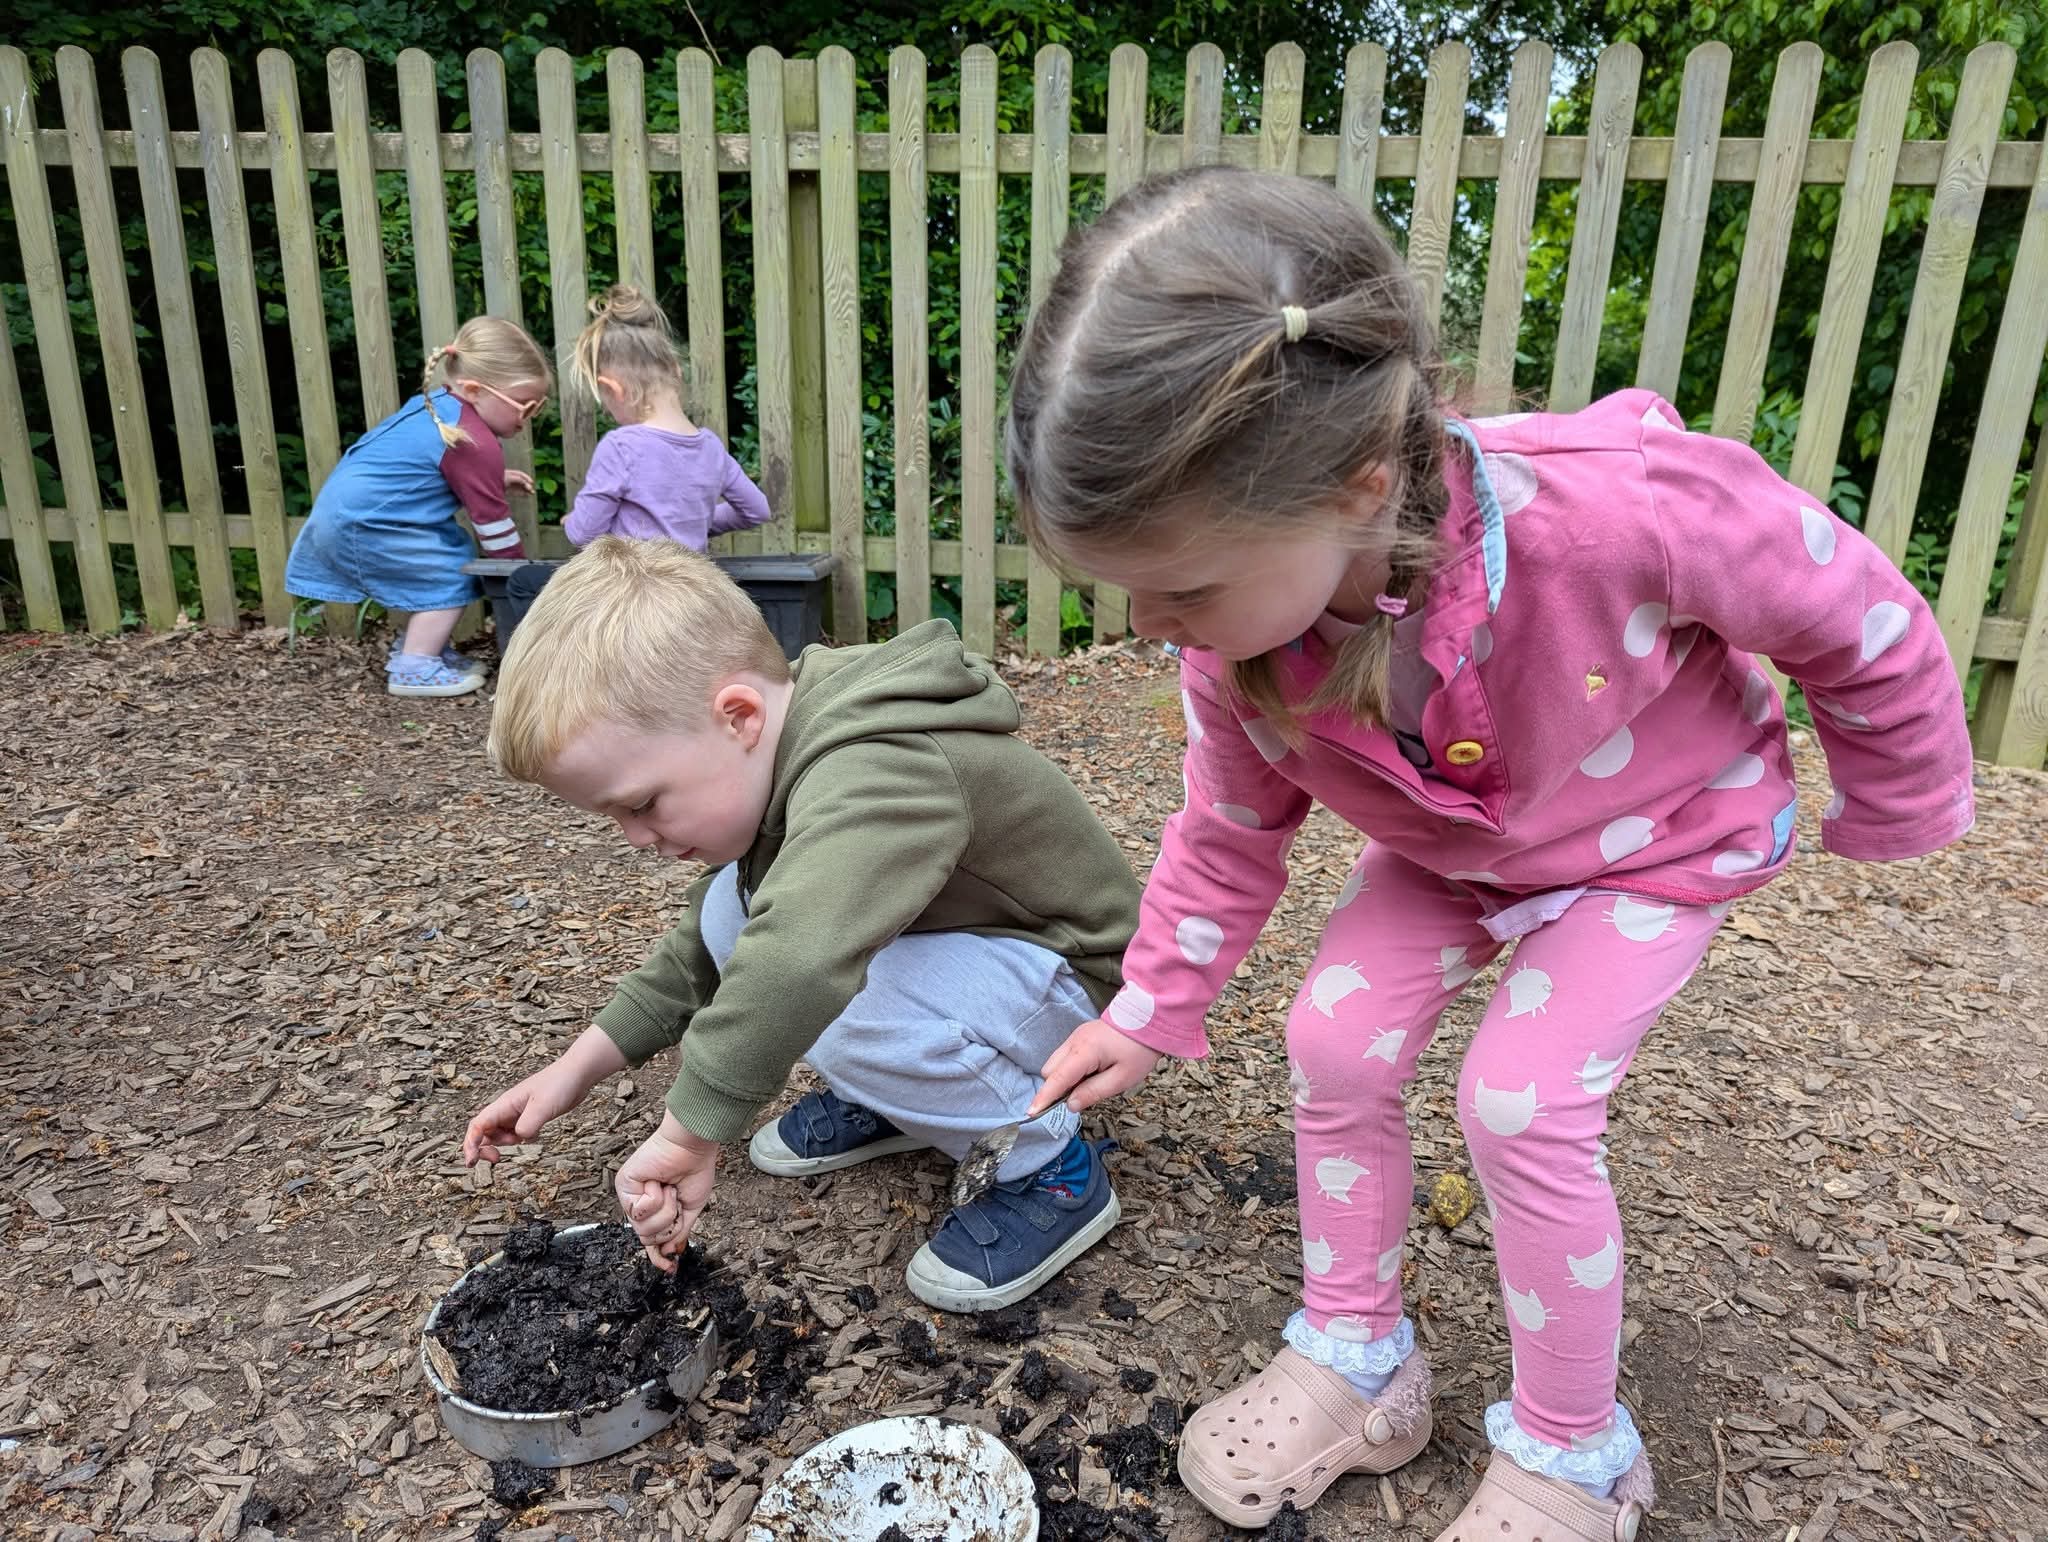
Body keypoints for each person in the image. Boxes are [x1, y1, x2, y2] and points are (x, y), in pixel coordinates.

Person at [1005, 167, 1974, 1540]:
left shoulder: (1615, 509)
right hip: (1456, 856)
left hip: (1657, 842)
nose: (1151, 623)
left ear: (1353, 486)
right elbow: (1226, 831)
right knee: (1331, 1040)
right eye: (1128, 590)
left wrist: (1897, 794)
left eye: (1184, 585)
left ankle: (1577, 1454)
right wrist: (1152, 1006)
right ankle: (1357, 1356)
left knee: (1518, 1100)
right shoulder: (1234, 654)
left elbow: (1852, 609)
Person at [460, 537, 1142, 1313]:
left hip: (1084, 993)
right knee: (732, 908)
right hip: (987, 963)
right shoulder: (788, 747)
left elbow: (799, 959)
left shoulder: (878, 765)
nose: (635, 837)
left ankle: (1046, 1168)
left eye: (642, 803)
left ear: (739, 717)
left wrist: (689, 1134)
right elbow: (705, 953)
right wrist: (576, 1068)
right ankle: (904, 1099)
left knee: (821, 989)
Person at [284, 316, 550, 697]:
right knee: (449, 571)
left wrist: (494, 477)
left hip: (352, 515)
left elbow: (422, 467)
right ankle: (415, 666)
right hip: (367, 525)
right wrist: (518, 576)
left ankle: (423, 649)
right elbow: (493, 525)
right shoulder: (472, 440)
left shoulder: (439, 406)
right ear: (475, 390)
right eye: (525, 406)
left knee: (440, 563)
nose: (529, 418)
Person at [491, 288, 776, 641]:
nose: (610, 411)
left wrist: (573, 520)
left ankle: (571, 665)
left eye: (605, 401)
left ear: (614, 389)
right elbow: (757, 510)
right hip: (691, 596)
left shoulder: (622, 446)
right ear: (676, 372)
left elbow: (584, 534)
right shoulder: (711, 447)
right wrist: (690, 519)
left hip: (629, 596)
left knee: (523, 583)